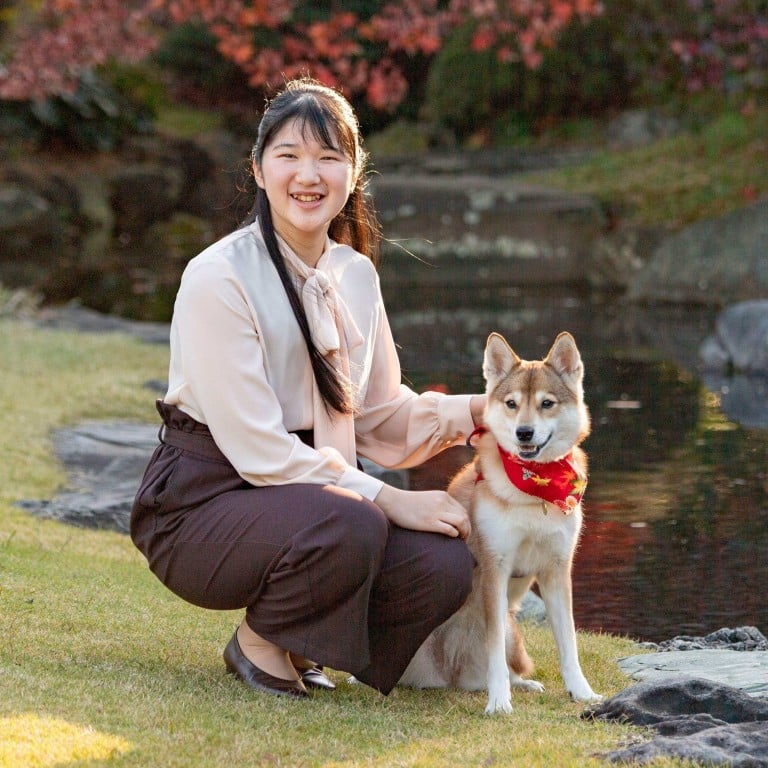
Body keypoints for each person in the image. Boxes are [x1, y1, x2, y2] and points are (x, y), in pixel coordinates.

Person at [130, 77, 486, 700]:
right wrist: (389, 499)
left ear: (354, 171)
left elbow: (376, 417)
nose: (308, 175)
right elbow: (259, 450)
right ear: (258, 168)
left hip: (316, 501)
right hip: (204, 498)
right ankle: (259, 642)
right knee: (353, 520)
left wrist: (479, 413)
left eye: (328, 157)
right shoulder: (219, 276)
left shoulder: (355, 274)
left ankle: (304, 640)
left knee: (444, 563)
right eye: (289, 155)